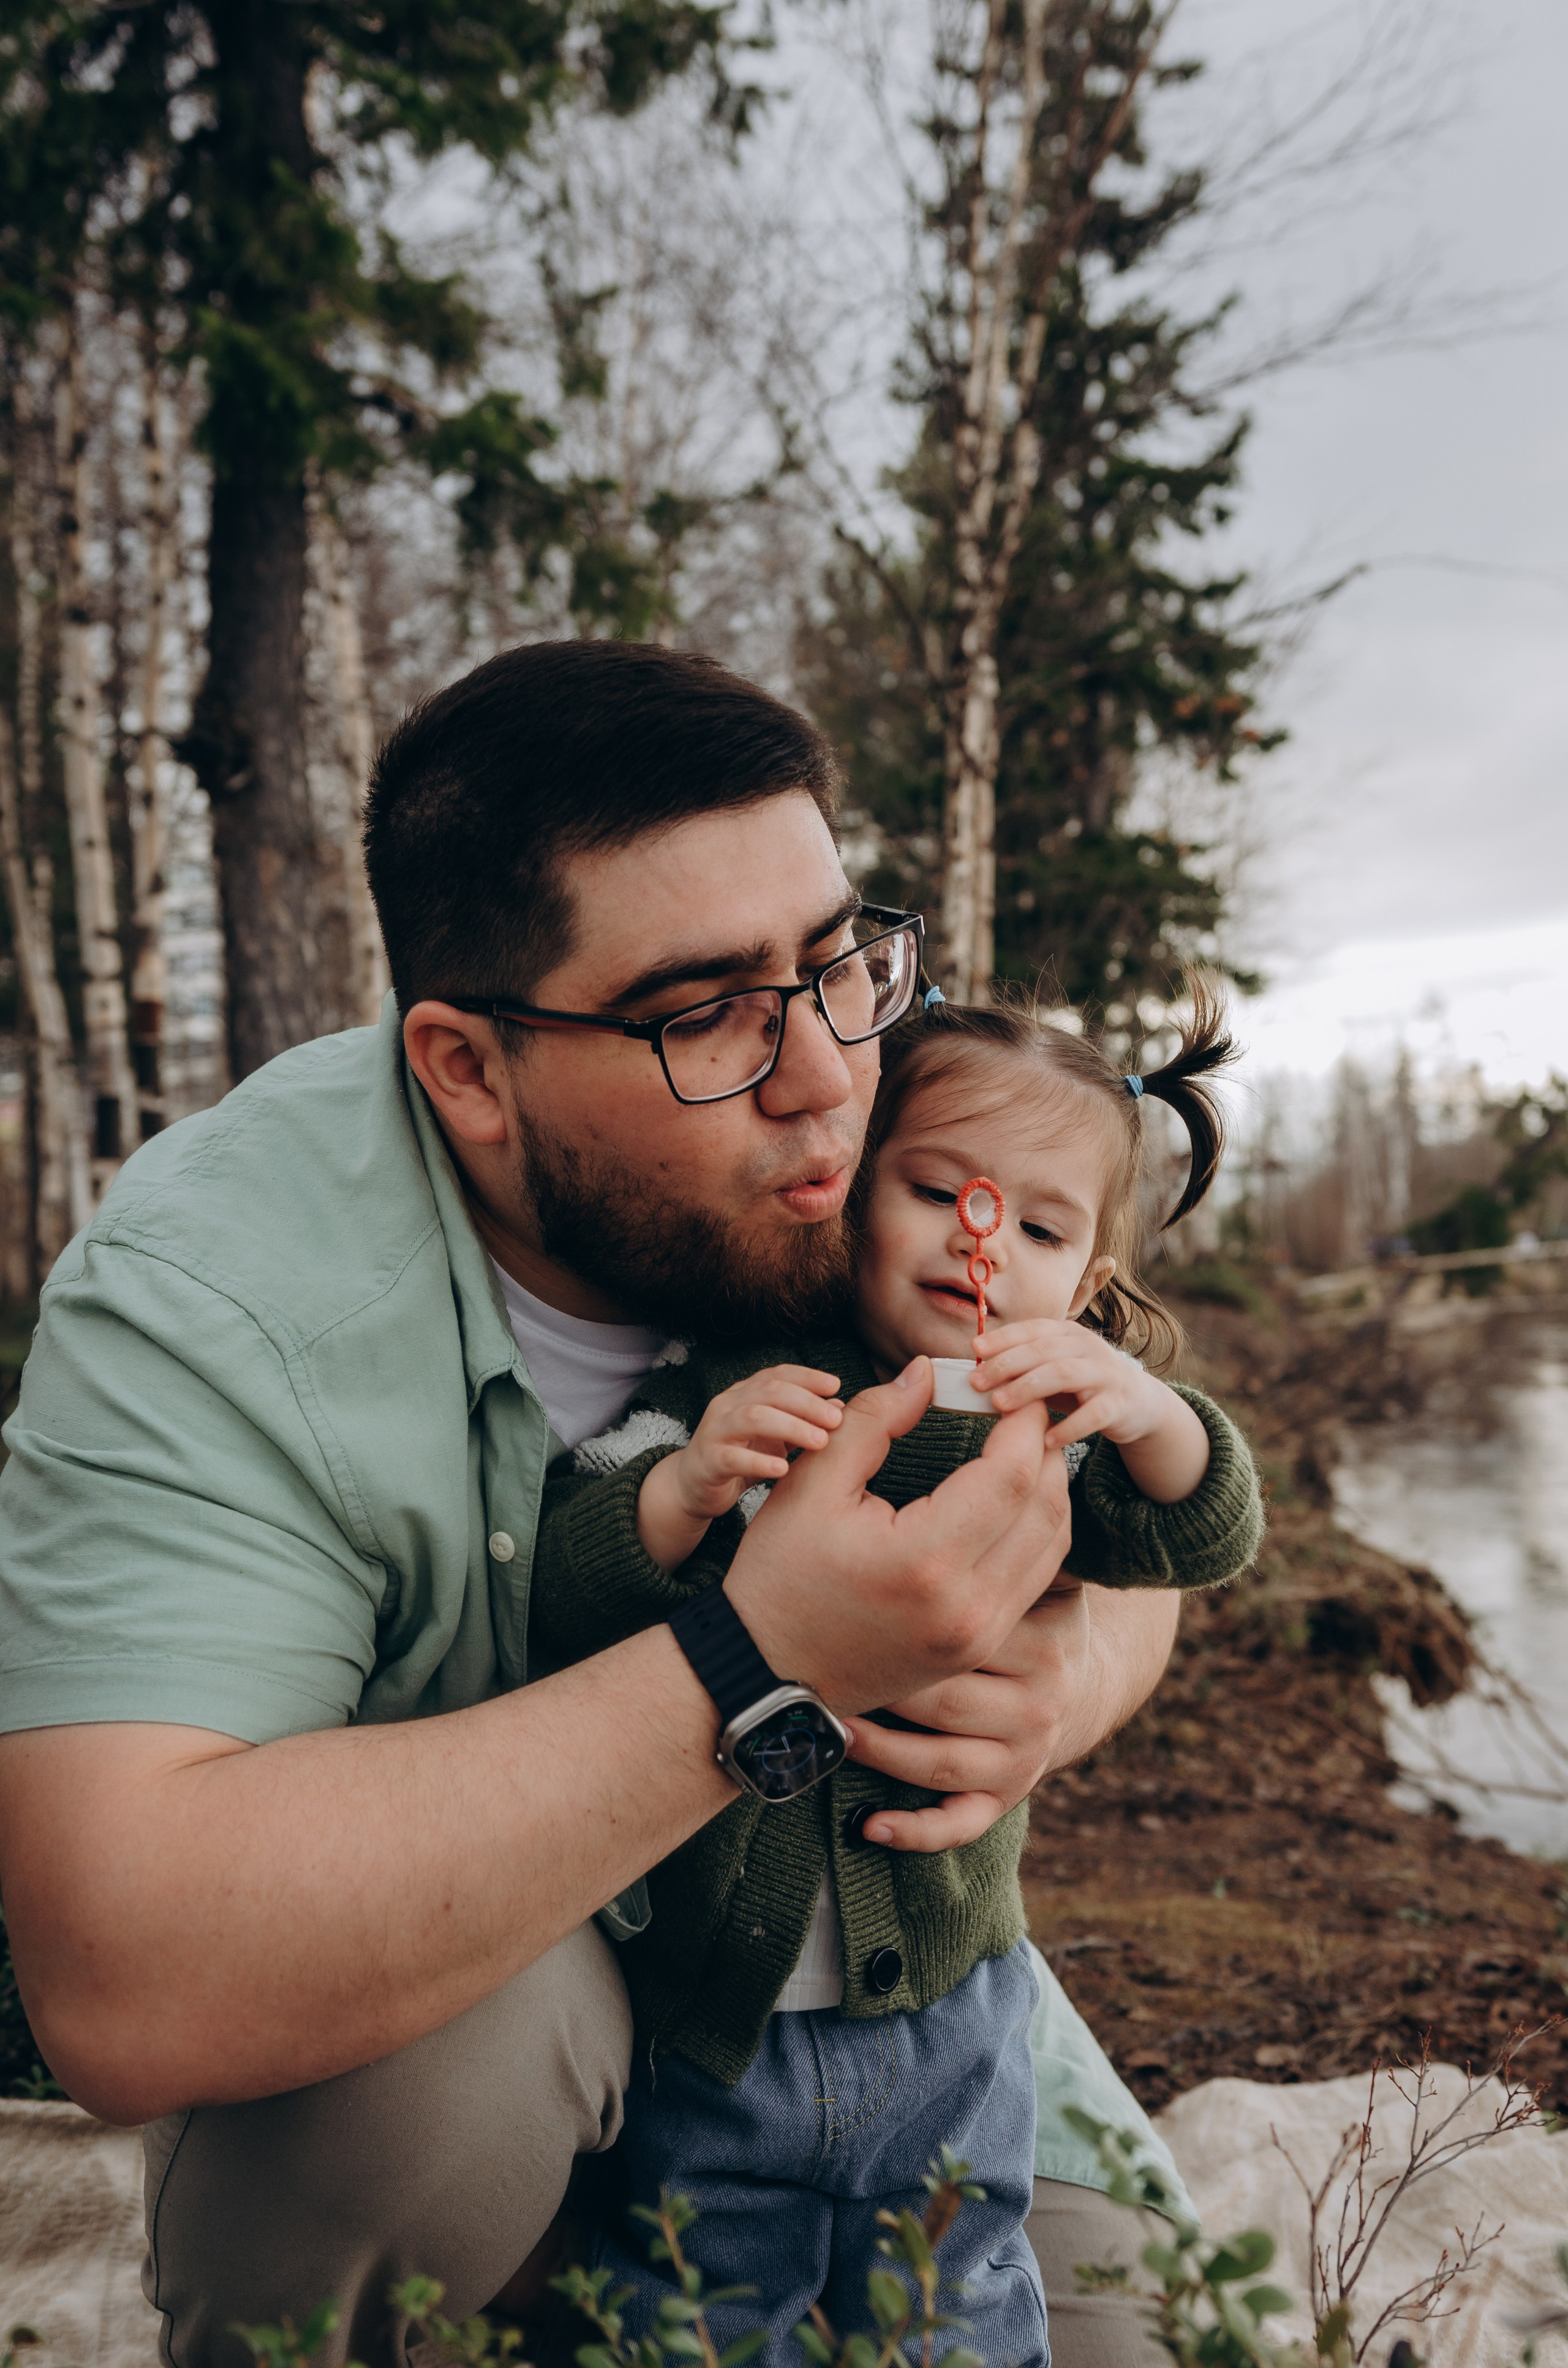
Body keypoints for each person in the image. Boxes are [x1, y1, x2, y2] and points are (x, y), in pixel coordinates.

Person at [0, 642, 1183, 2368]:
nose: (827, 1077)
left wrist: (1052, 1684)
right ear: (467, 1067)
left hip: (865, 1991)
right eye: (702, 1012)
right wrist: (766, 1661)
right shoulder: (219, 1296)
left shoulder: (886, 1105)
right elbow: (123, 1967)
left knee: (1158, 2339)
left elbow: (1143, 1423)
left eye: (839, 959)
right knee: (437, 2096)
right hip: (488, 2039)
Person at [531, 991, 1265, 2366]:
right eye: (936, 1189)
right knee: (687, 2308)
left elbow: (1199, 1534)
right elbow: (570, 1576)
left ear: (1089, 1287)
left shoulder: (1051, 1429)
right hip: (719, 2026)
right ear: (858, 1195)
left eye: (1038, 1228)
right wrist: (679, 1490)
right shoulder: (746, 1384)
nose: (974, 1239)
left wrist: (1152, 1410)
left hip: (953, 2017)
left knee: (957, 2311)